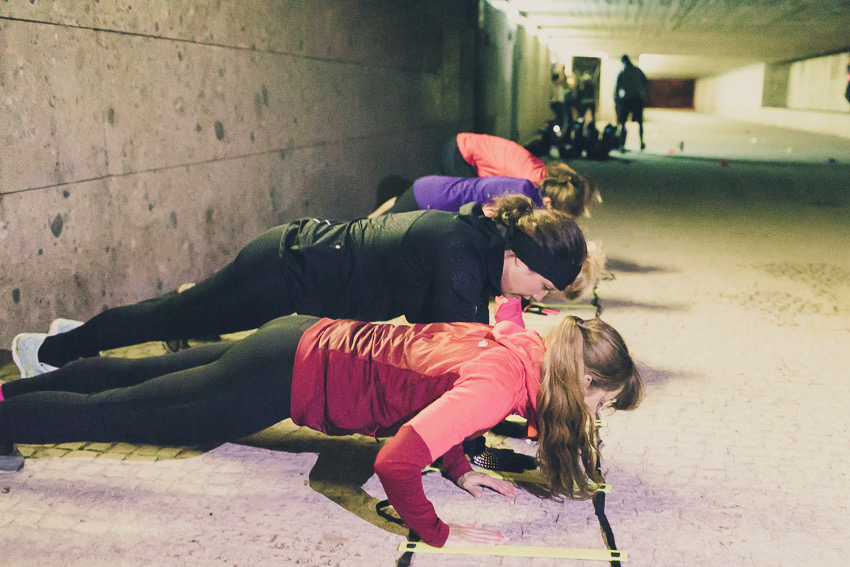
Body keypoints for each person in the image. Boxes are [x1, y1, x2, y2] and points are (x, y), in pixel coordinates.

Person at [0, 312, 644, 548]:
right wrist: (438, 531)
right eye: (602, 400)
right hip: (281, 377)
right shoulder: (500, 388)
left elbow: (441, 390)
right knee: (121, 413)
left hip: (301, 336)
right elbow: (395, 462)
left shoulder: (526, 345)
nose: (595, 414)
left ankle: (9, 395)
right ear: (580, 379)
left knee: (133, 378)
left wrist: (457, 468)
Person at [11, 196, 587, 379]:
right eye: (539, 284)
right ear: (516, 256)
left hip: (299, 268)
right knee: (175, 317)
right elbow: (457, 357)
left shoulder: (479, 242)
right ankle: (47, 350)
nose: (533, 297)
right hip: (286, 270)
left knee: (178, 310)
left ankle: (74, 333)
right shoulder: (461, 257)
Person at [436, 133, 602, 216]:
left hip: (465, 148)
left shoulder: (541, 175)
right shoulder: (527, 182)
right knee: (466, 212)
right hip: (460, 155)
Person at [372, 169, 598, 219]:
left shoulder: (527, 189)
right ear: (548, 202)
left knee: (372, 223)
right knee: (370, 236)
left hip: (431, 188)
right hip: (431, 200)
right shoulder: (524, 201)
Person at [615, 55, 649, 152]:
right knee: (640, 122)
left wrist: (617, 100)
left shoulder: (623, 72)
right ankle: (641, 142)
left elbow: (617, 87)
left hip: (627, 99)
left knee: (622, 122)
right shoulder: (638, 71)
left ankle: (622, 144)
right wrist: (642, 93)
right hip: (637, 98)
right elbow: (645, 82)